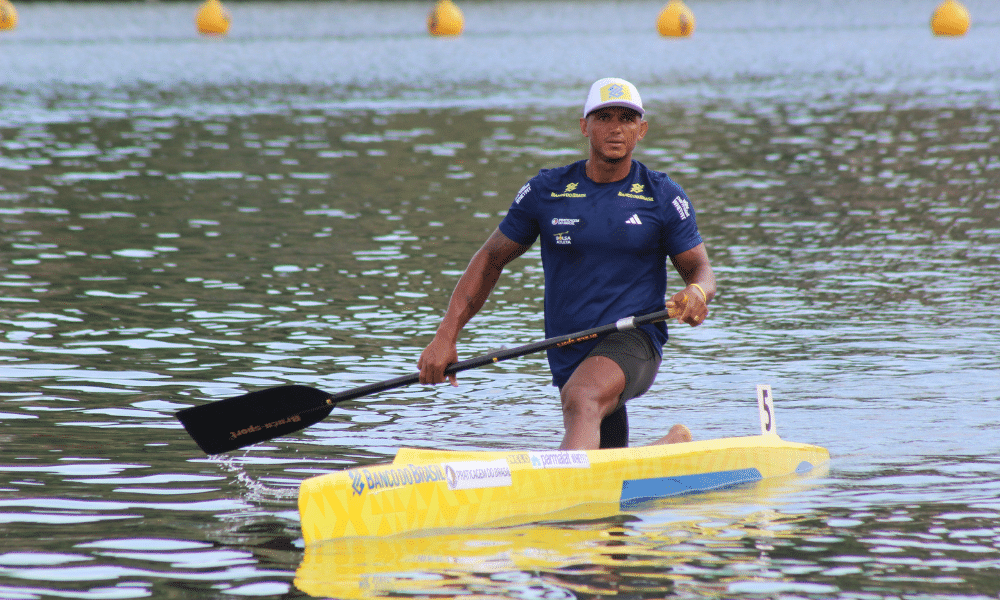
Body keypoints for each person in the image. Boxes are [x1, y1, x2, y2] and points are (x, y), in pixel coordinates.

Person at [418, 77, 716, 450]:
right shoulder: (547, 191)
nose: (615, 127)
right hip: (567, 345)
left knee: (584, 397)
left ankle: (556, 498)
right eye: (604, 117)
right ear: (584, 126)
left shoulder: (662, 195)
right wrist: (446, 335)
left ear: (641, 130)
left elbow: (700, 270)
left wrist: (697, 292)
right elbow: (490, 259)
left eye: (626, 118)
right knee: (605, 452)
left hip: (635, 337)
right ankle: (670, 447)